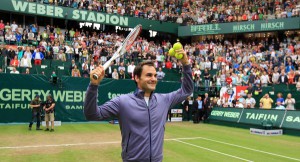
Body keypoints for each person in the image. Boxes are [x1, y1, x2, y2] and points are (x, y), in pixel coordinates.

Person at [84, 48, 193, 162]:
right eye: (149, 75)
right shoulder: (122, 102)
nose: (153, 79)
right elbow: (92, 115)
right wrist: (93, 85)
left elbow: (187, 90)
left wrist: (185, 63)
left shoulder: (164, 100)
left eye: (155, 76)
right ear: (136, 78)